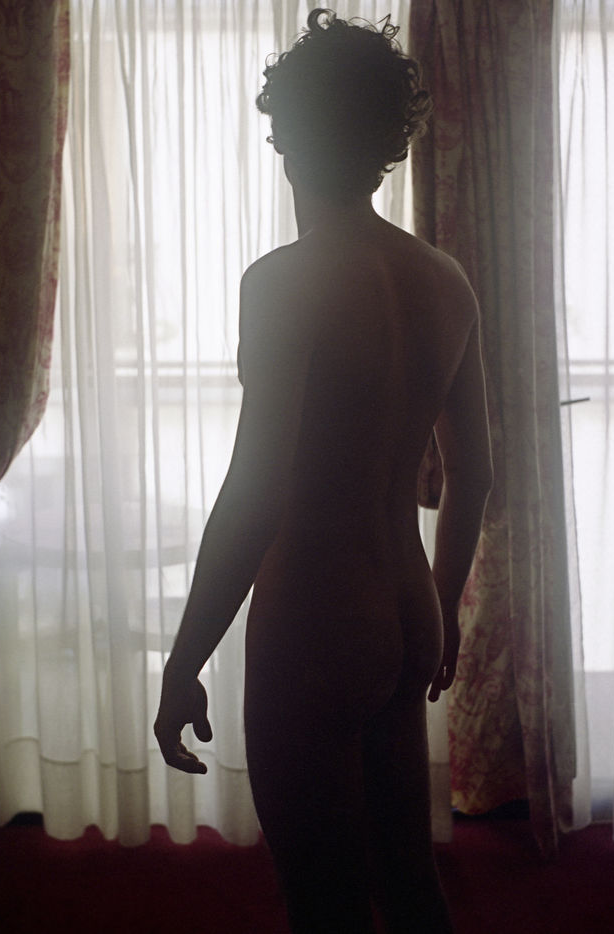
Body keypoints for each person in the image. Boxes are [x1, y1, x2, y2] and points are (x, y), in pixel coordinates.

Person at [154, 9, 492, 933]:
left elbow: (256, 493)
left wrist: (185, 660)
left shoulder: (284, 281)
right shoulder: (445, 280)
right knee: (411, 885)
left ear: (286, 137)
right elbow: (475, 474)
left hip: (316, 612)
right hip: (409, 604)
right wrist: (444, 606)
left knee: (325, 904)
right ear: (387, 144)